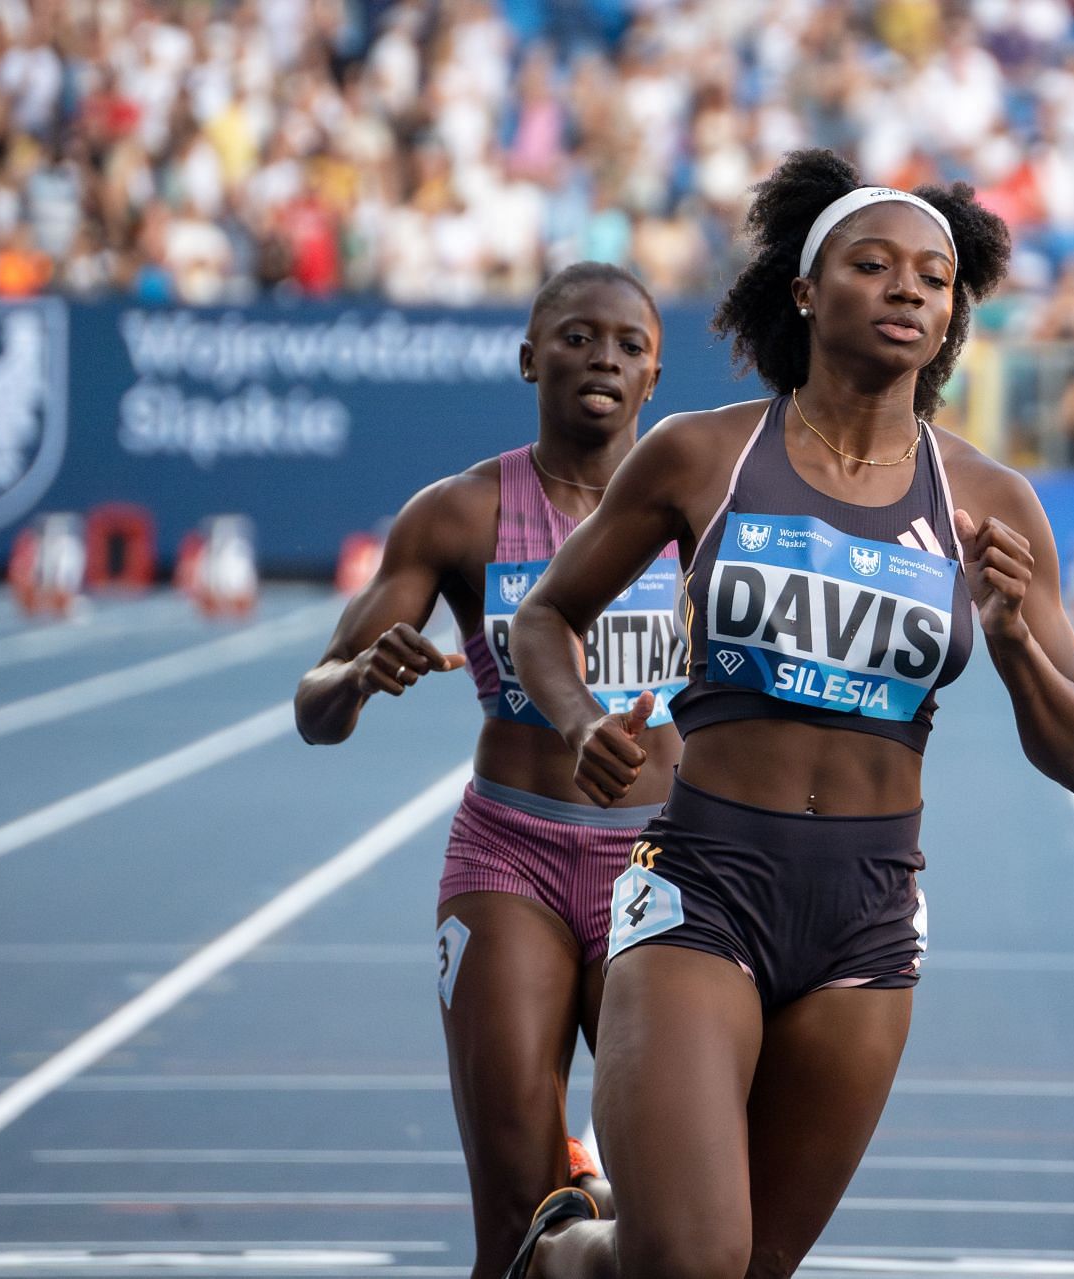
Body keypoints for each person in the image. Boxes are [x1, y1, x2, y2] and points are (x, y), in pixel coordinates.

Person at [504, 149, 1074, 1279]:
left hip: (869, 917)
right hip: (705, 884)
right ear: (803, 290)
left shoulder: (986, 498)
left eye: (934, 278)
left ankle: (581, 1257)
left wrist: (1017, 635)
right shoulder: (704, 454)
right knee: (688, 1261)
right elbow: (545, 619)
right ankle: (560, 1259)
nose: (907, 290)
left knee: (750, 1269)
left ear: (951, 318)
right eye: (872, 265)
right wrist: (582, 721)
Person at [294, 262, 683, 1276]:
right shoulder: (460, 515)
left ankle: (595, 1195)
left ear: (655, 378)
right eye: (577, 336)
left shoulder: (707, 510)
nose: (604, 356)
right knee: (514, 1209)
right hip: (511, 858)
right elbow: (314, 710)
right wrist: (358, 673)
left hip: (669, 871)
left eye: (629, 345)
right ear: (527, 358)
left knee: (680, 1221)